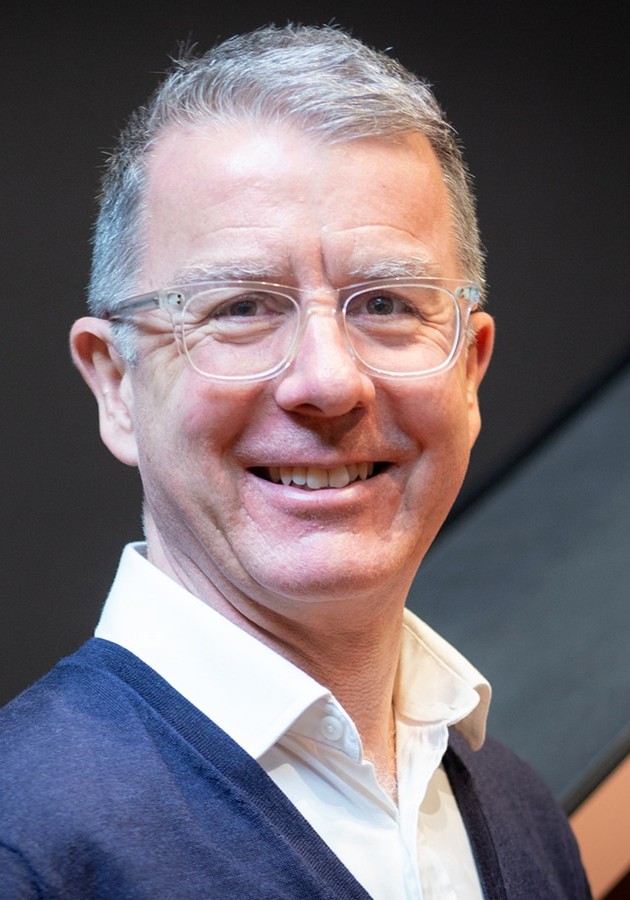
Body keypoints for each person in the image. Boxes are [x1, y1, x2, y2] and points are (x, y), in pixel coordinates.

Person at [0, 23, 591, 898]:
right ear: (117, 384)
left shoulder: (521, 817)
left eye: (387, 303)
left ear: (469, 371)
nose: (328, 381)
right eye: (241, 307)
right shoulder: (24, 839)